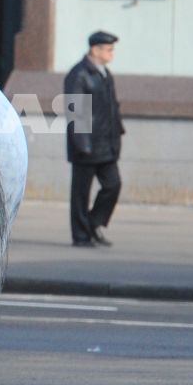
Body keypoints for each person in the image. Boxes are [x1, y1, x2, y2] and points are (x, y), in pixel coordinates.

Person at [65, 31, 124, 248]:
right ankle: (81, 236)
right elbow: (76, 112)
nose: (112, 53)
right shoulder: (79, 74)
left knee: (113, 185)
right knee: (81, 193)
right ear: (95, 50)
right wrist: (82, 144)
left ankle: (93, 222)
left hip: (106, 144)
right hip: (86, 144)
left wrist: (118, 132)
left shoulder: (105, 74)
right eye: (109, 49)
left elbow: (112, 107)